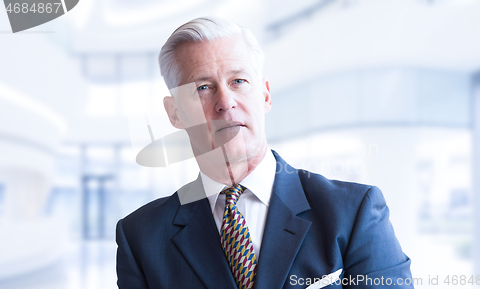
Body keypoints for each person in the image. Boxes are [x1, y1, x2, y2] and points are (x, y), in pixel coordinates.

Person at [116, 17, 414, 289]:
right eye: (203, 88)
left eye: (239, 81)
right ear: (175, 113)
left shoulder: (353, 213)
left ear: (265, 95)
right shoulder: (141, 238)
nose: (225, 102)